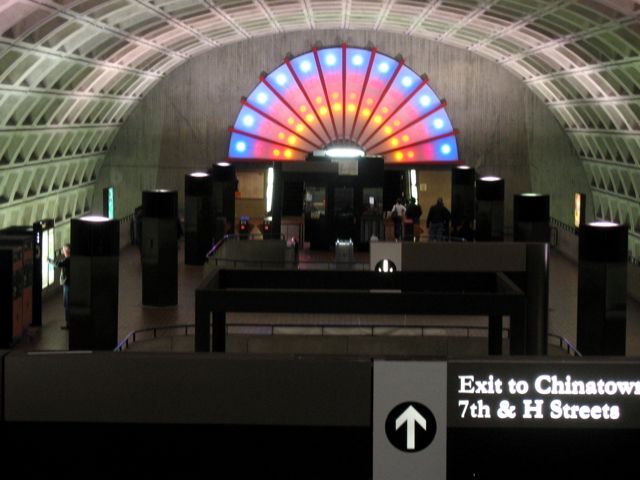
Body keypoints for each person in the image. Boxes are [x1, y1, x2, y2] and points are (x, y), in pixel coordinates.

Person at [49, 244, 71, 330]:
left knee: (67, 303)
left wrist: (48, 260)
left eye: (63, 250)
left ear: (66, 251)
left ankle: (68, 323)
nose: (62, 251)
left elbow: (58, 264)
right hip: (69, 284)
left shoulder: (67, 260)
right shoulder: (70, 259)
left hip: (67, 284)